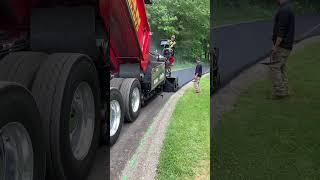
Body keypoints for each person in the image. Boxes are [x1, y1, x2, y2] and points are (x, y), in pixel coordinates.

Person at [269, 0, 295, 99]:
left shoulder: (284, 10)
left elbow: (281, 31)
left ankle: (280, 92)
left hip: (282, 46)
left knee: (274, 67)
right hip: (287, 45)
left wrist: (275, 46)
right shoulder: (288, 8)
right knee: (282, 67)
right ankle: (285, 89)